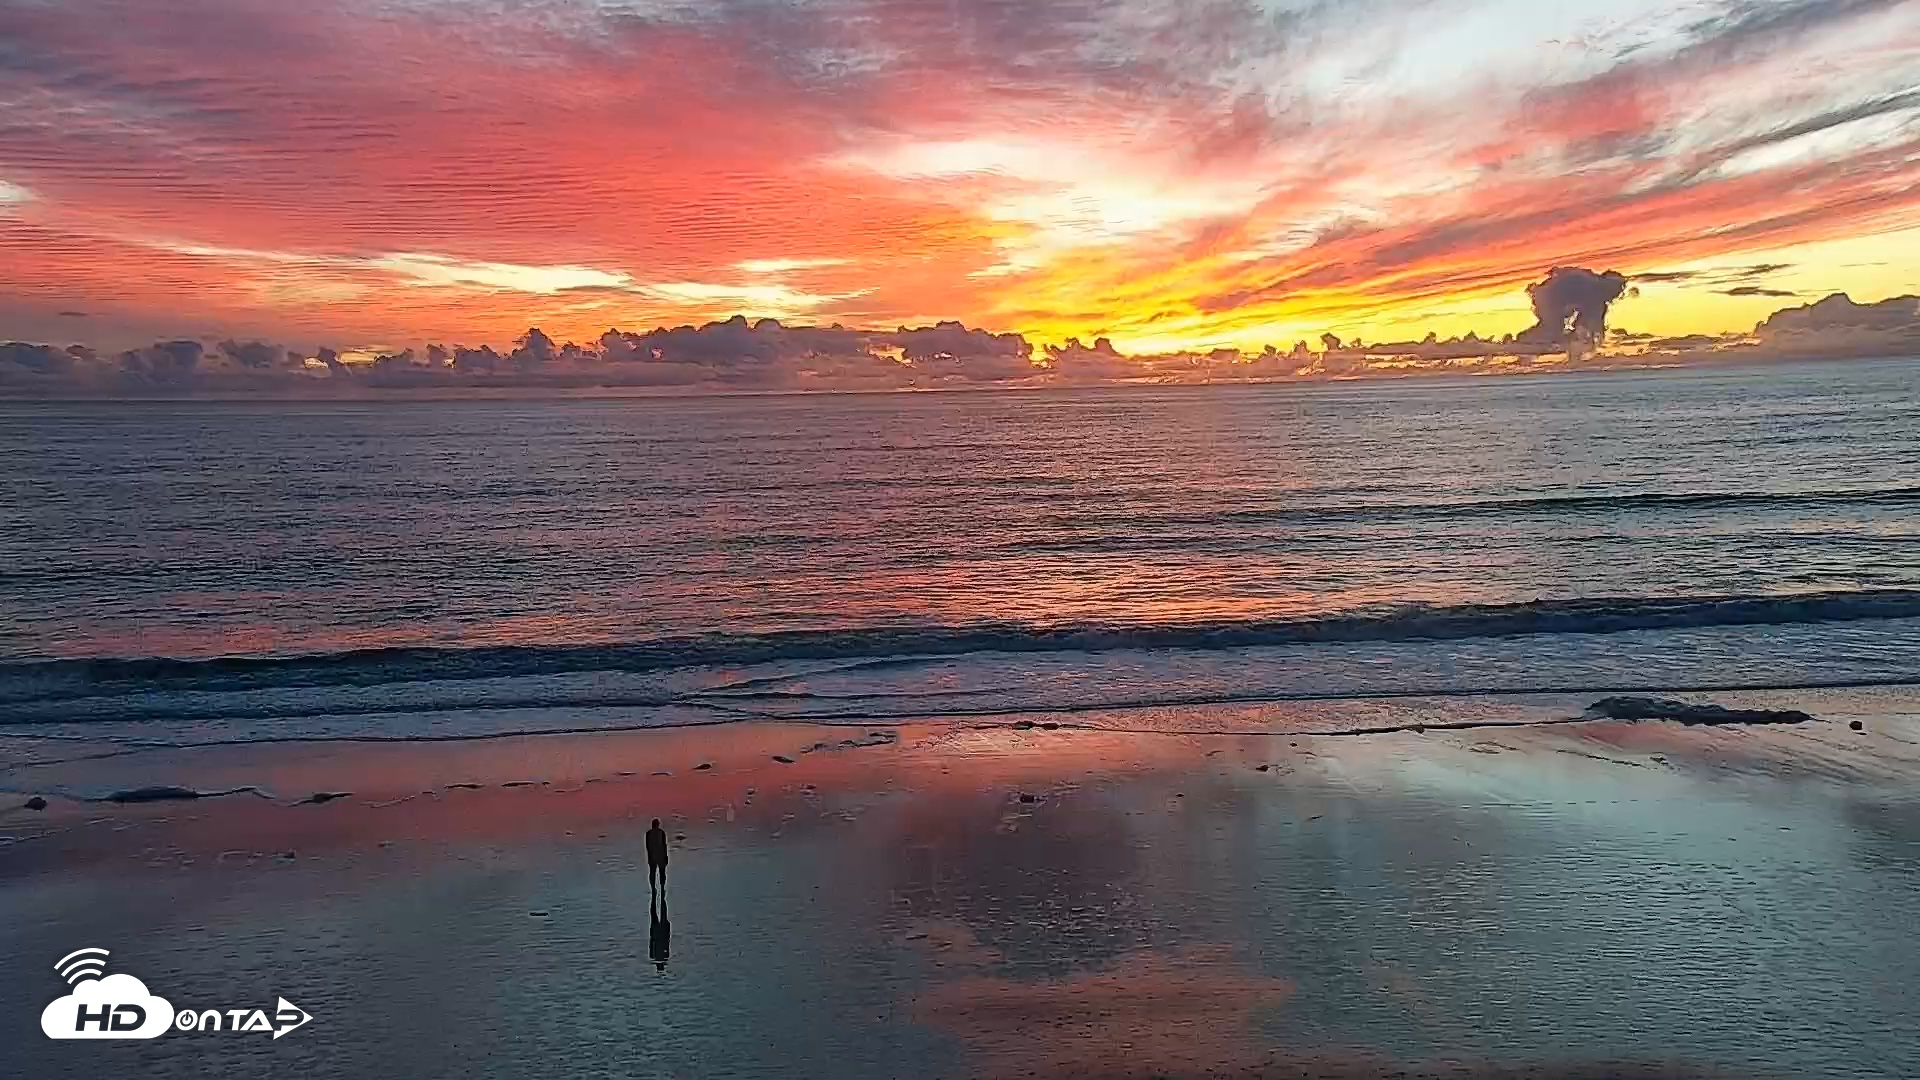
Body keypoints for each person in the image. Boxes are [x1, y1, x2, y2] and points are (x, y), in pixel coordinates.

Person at [646, 818, 669, 891]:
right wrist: (666, 856)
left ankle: (653, 888)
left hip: (652, 855)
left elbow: (648, 846)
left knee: (652, 872)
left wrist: (649, 856)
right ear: (658, 825)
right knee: (662, 872)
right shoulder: (661, 832)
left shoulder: (648, 833)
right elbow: (664, 845)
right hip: (661, 855)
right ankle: (662, 887)